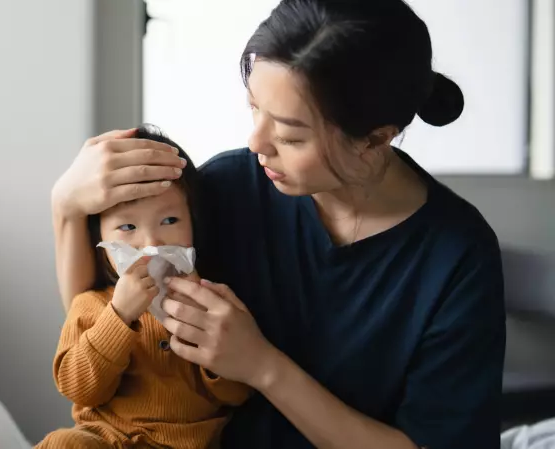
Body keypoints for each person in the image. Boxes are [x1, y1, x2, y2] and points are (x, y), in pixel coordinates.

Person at [50, 1, 506, 448]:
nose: (257, 142)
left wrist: (263, 367)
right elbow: (102, 314)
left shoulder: (455, 255)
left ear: (374, 138)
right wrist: (66, 208)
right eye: (254, 109)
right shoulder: (229, 187)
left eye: (290, 134)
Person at [38, 125, 250, 449]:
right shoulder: (90, 305)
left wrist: (202, 329)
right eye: (127, 227)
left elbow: (235, 394)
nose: (151, 243)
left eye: (169, 221)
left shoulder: (211, 299)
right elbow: (78, 388)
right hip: (107, 438)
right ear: (101, 240)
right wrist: (118, 316)